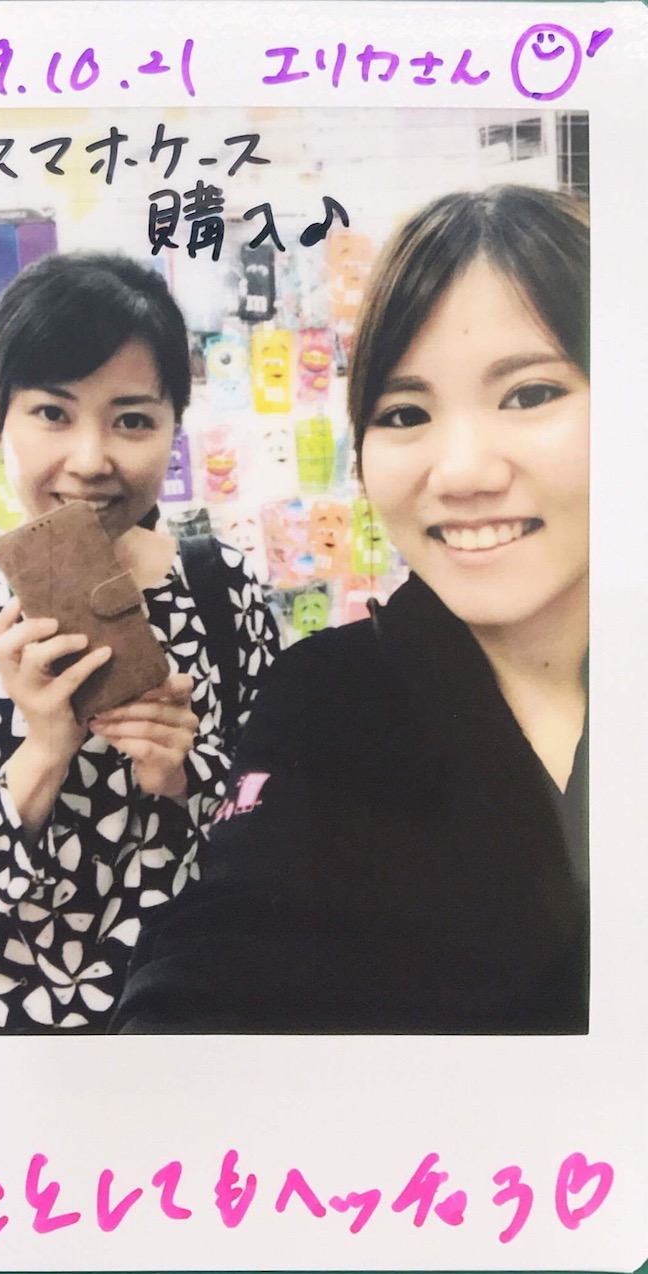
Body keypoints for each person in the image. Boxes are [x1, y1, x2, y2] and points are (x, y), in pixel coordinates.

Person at [112, 185, 590, 1035]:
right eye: (405, 413)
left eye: (529, 394)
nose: (462, 471)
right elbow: (226, 940)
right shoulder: (324, 700)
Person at [0, 252, 279, 1032]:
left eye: (133, 419)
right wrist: (42, 753)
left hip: (199, 1022)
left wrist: (185, 775)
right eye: (52, 413)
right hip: (18, 1049)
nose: (90, 459)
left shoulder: (223, 590)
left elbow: (278, 827)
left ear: (173, 429)